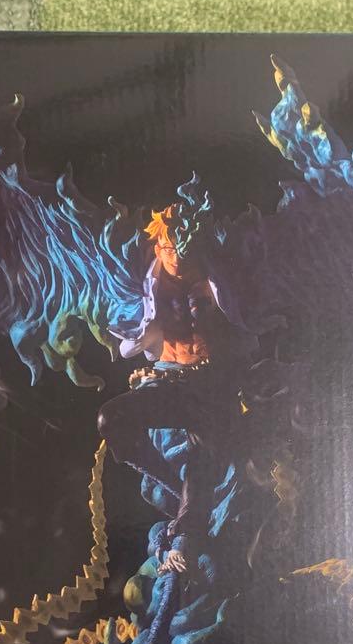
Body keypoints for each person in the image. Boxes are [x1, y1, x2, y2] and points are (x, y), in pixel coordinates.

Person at [98, 205, 253, 573]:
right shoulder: (144, 286)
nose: (178, 256)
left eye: (185, 247)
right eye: (170, 247)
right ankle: (170, 484)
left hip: (213, 383)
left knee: (204, 448)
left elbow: (244, 326)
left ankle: (185, 538)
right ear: (158, 246)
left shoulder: (219, 277)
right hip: (168, 380)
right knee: (111, 418)